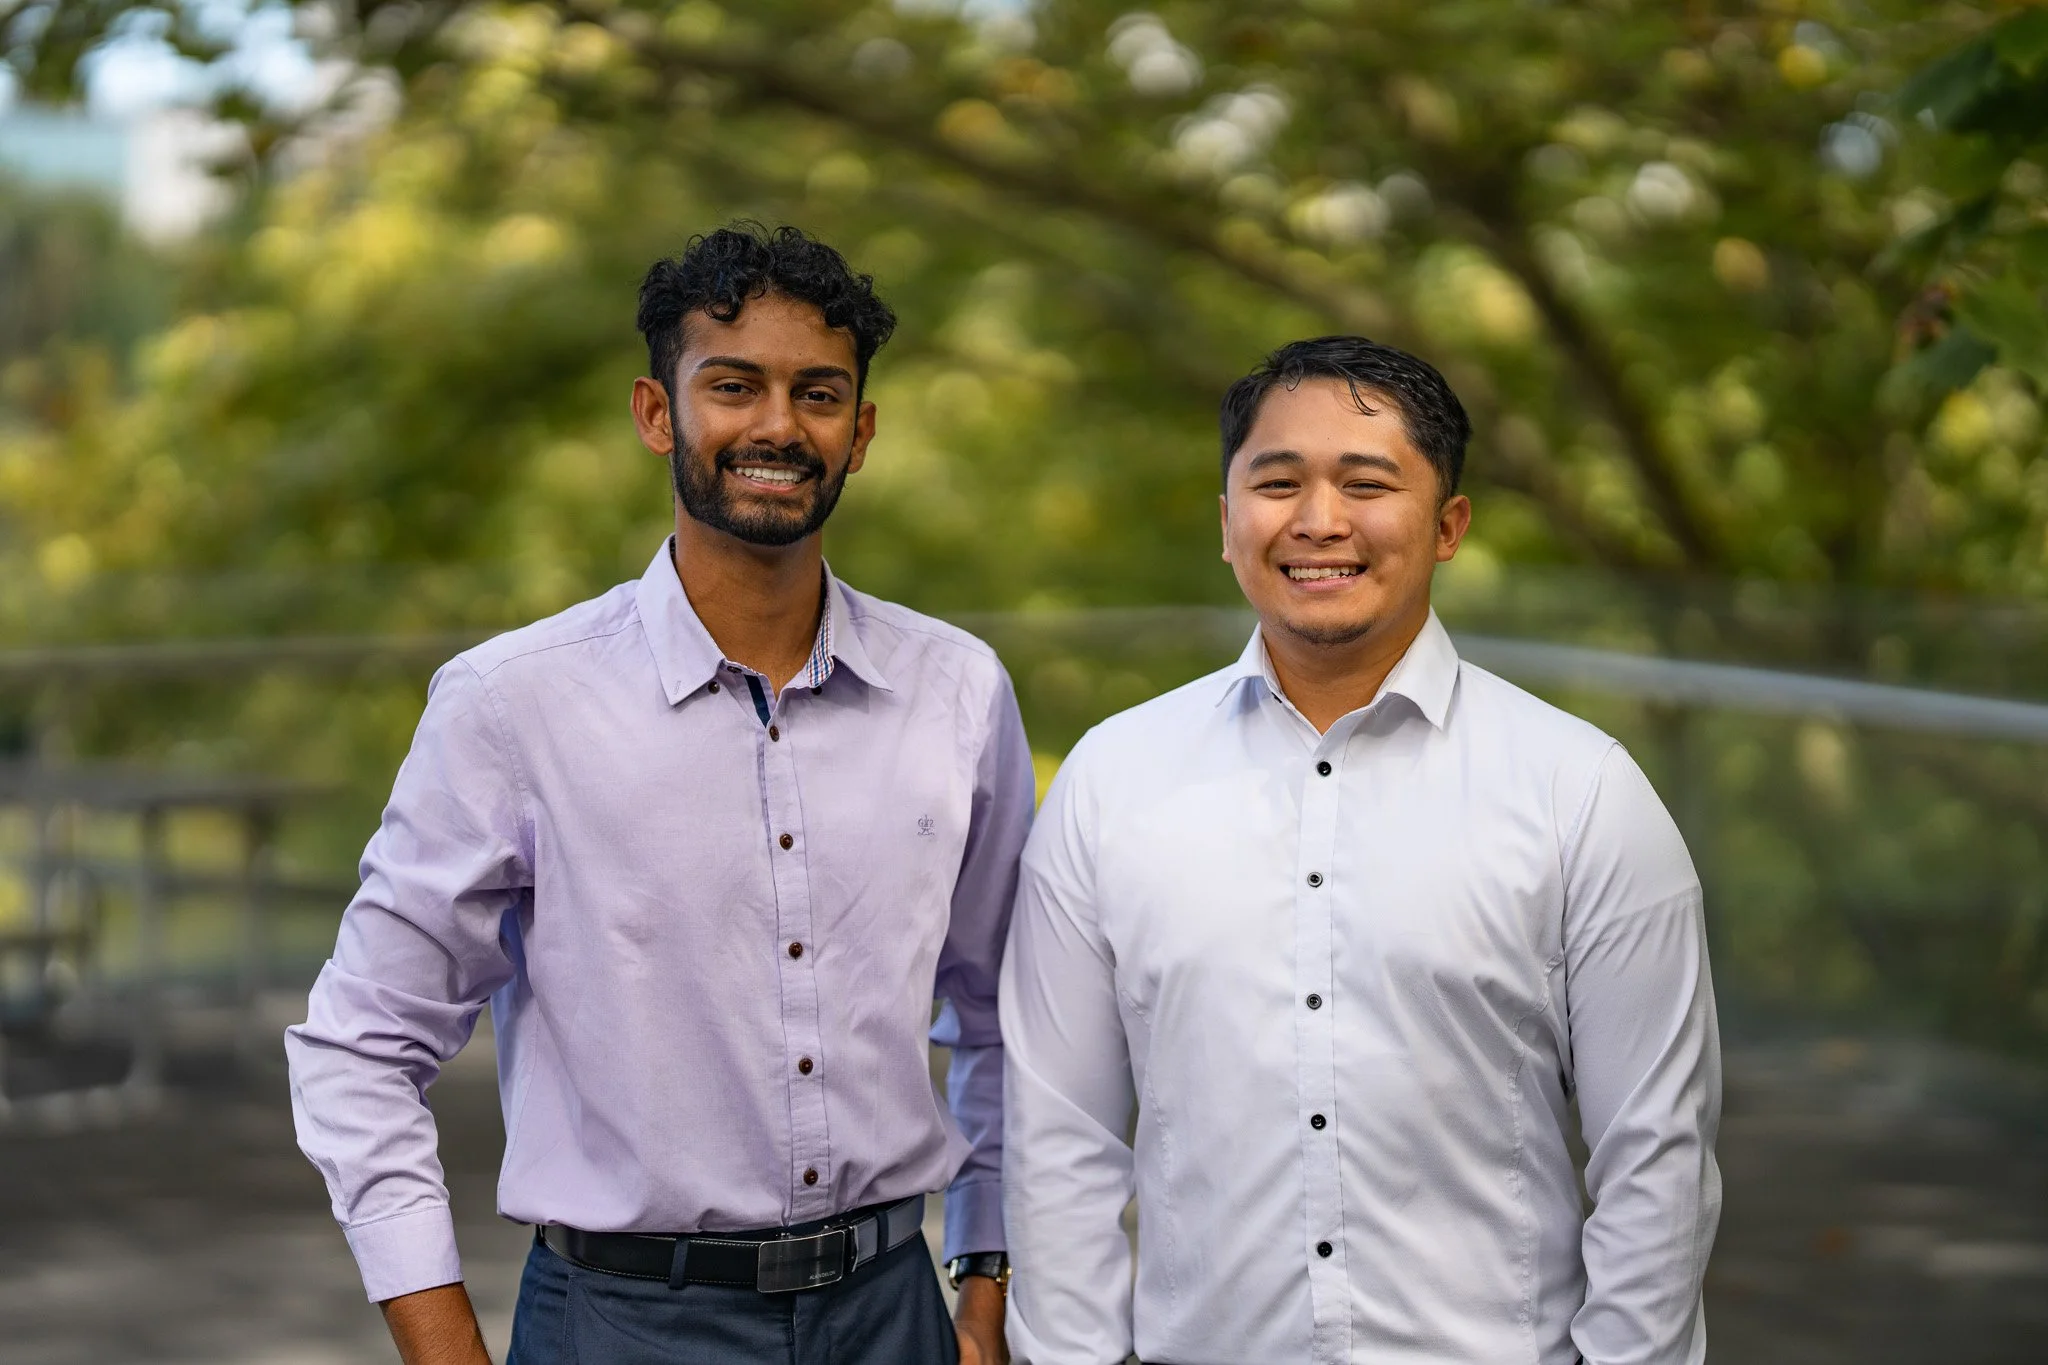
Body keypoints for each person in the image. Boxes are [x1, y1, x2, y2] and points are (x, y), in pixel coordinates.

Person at [287, 224, 1027, 1365]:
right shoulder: (511, 704)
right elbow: (360, 1044)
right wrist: (441, 1349)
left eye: (817, 393)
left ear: (860, 432)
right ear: (655, 413)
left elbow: (996, 1018)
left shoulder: (958, 691)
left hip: (894, 1314)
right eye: (732, 387)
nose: (777, 427)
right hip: (621, 1325)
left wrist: (982, 1285)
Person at [1001, 336, 1722, 1365]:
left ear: (1447, 526)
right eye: (1277, 481)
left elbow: (1656, 1151)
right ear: (1225, 522)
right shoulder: (1111, 782)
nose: (1318, 521)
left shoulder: (1579, 790)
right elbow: (1055, 1131)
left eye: (1366, 483)